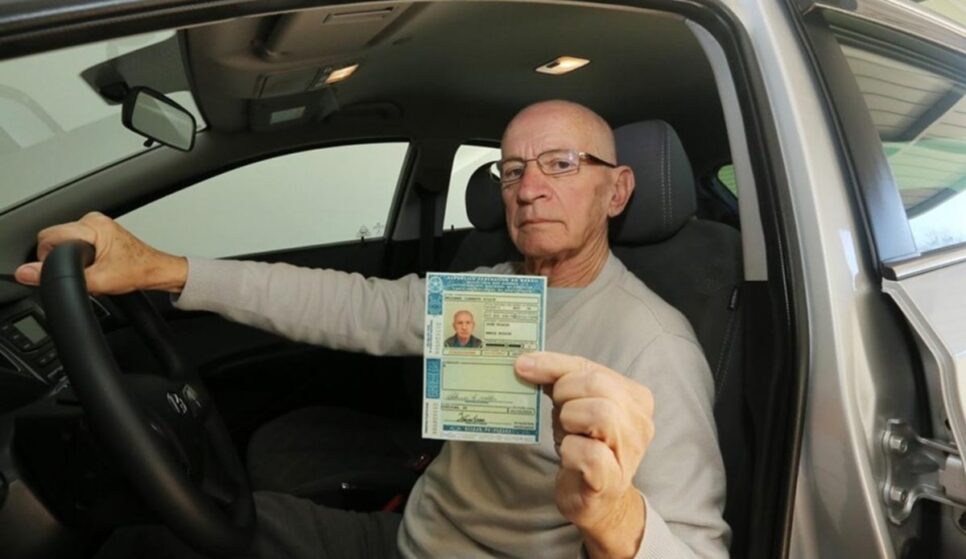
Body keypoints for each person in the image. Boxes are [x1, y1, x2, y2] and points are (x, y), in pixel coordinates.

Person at [16, 100, 729, 558]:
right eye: (511, 169)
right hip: (404, 536)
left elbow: (696, 550)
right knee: (163, 536)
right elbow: (345, 304)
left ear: (618, 188)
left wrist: (618, 519)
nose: (529, 186)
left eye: (561, 164)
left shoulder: (653, 345)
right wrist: (160, 267)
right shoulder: (495, 291)